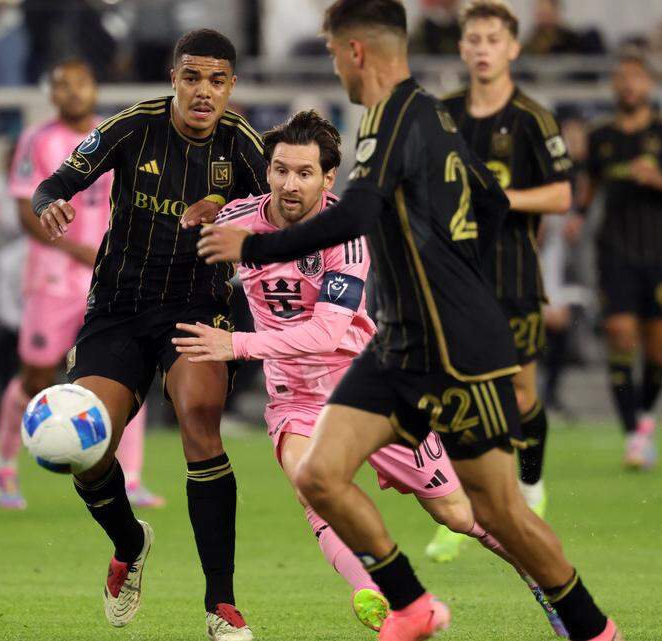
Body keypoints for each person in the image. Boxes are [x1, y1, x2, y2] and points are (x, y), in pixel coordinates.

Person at [196, 2, 617, 640]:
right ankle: (409, 604)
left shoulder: (398, 116)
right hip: (398, 345)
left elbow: (358, 211)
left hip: (450, 346)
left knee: (483, 510)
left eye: (335, 52)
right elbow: (493, 199)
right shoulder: (429, 118)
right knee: (319, 475)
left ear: (356, 51)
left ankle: (591, 629)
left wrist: (254, 250)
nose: (334, 65)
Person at [175, 109, 565, 637]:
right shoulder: (240, 219)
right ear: (267, 171)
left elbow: (326, 336)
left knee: (458, 514)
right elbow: (195, 238)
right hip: (295, 397)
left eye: (305, 173)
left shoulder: (344, 236)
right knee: (308, 479)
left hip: (368, 391)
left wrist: (235, 344)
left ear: (328, 178)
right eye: (281, 170)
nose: (291, 184)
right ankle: (376, 591)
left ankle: (547, 582)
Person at [33, 31, 268, 640]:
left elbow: (278, 210)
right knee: (85, 449)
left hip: (198, 309)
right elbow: (55, 182)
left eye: (217, 80)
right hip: (119, 308)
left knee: (199, 417)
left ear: (230, 87)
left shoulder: (243, 145)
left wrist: (228, 206)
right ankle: (130, 542)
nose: (203, 91)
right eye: (192, 77)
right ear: (173, 77)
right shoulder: (133, 127)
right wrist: (51, 203)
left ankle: (222, 605)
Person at [427, 0, 574, 563]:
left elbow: (562, 195)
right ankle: (456, 507)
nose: (484, 48)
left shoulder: (533, 118)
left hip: (512, 275)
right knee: (451, 397)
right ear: (462, 48)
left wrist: (501, 198)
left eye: (494, 38)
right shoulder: (439, 115)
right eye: (475, 39)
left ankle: (531, 490)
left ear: (513, 47)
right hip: (451, 279)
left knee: (518, 395)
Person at [0, 60, 163, 511]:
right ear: (52, 94)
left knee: (129, 369)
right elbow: (27, 212)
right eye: (61, 84)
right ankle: (4, 464)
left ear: (94, 87)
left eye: (79, 83)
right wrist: (76, 250)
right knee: (36, 375)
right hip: (53, 278)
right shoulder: (38, 140)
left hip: (111, 281)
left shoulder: (115, 135)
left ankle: (133, 478)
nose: (71, 91)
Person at [578, 52, 662, 470]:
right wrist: (575, 217)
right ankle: (632, 435)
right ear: (613, 85)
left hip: (661, 254)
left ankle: (645, 419)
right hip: (616, 254)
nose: (628, 85)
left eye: (636, 77)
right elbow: (588, 188)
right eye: (621, 77)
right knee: (621, 337)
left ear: (649, 85)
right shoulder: (601, 137)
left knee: (657, 350)